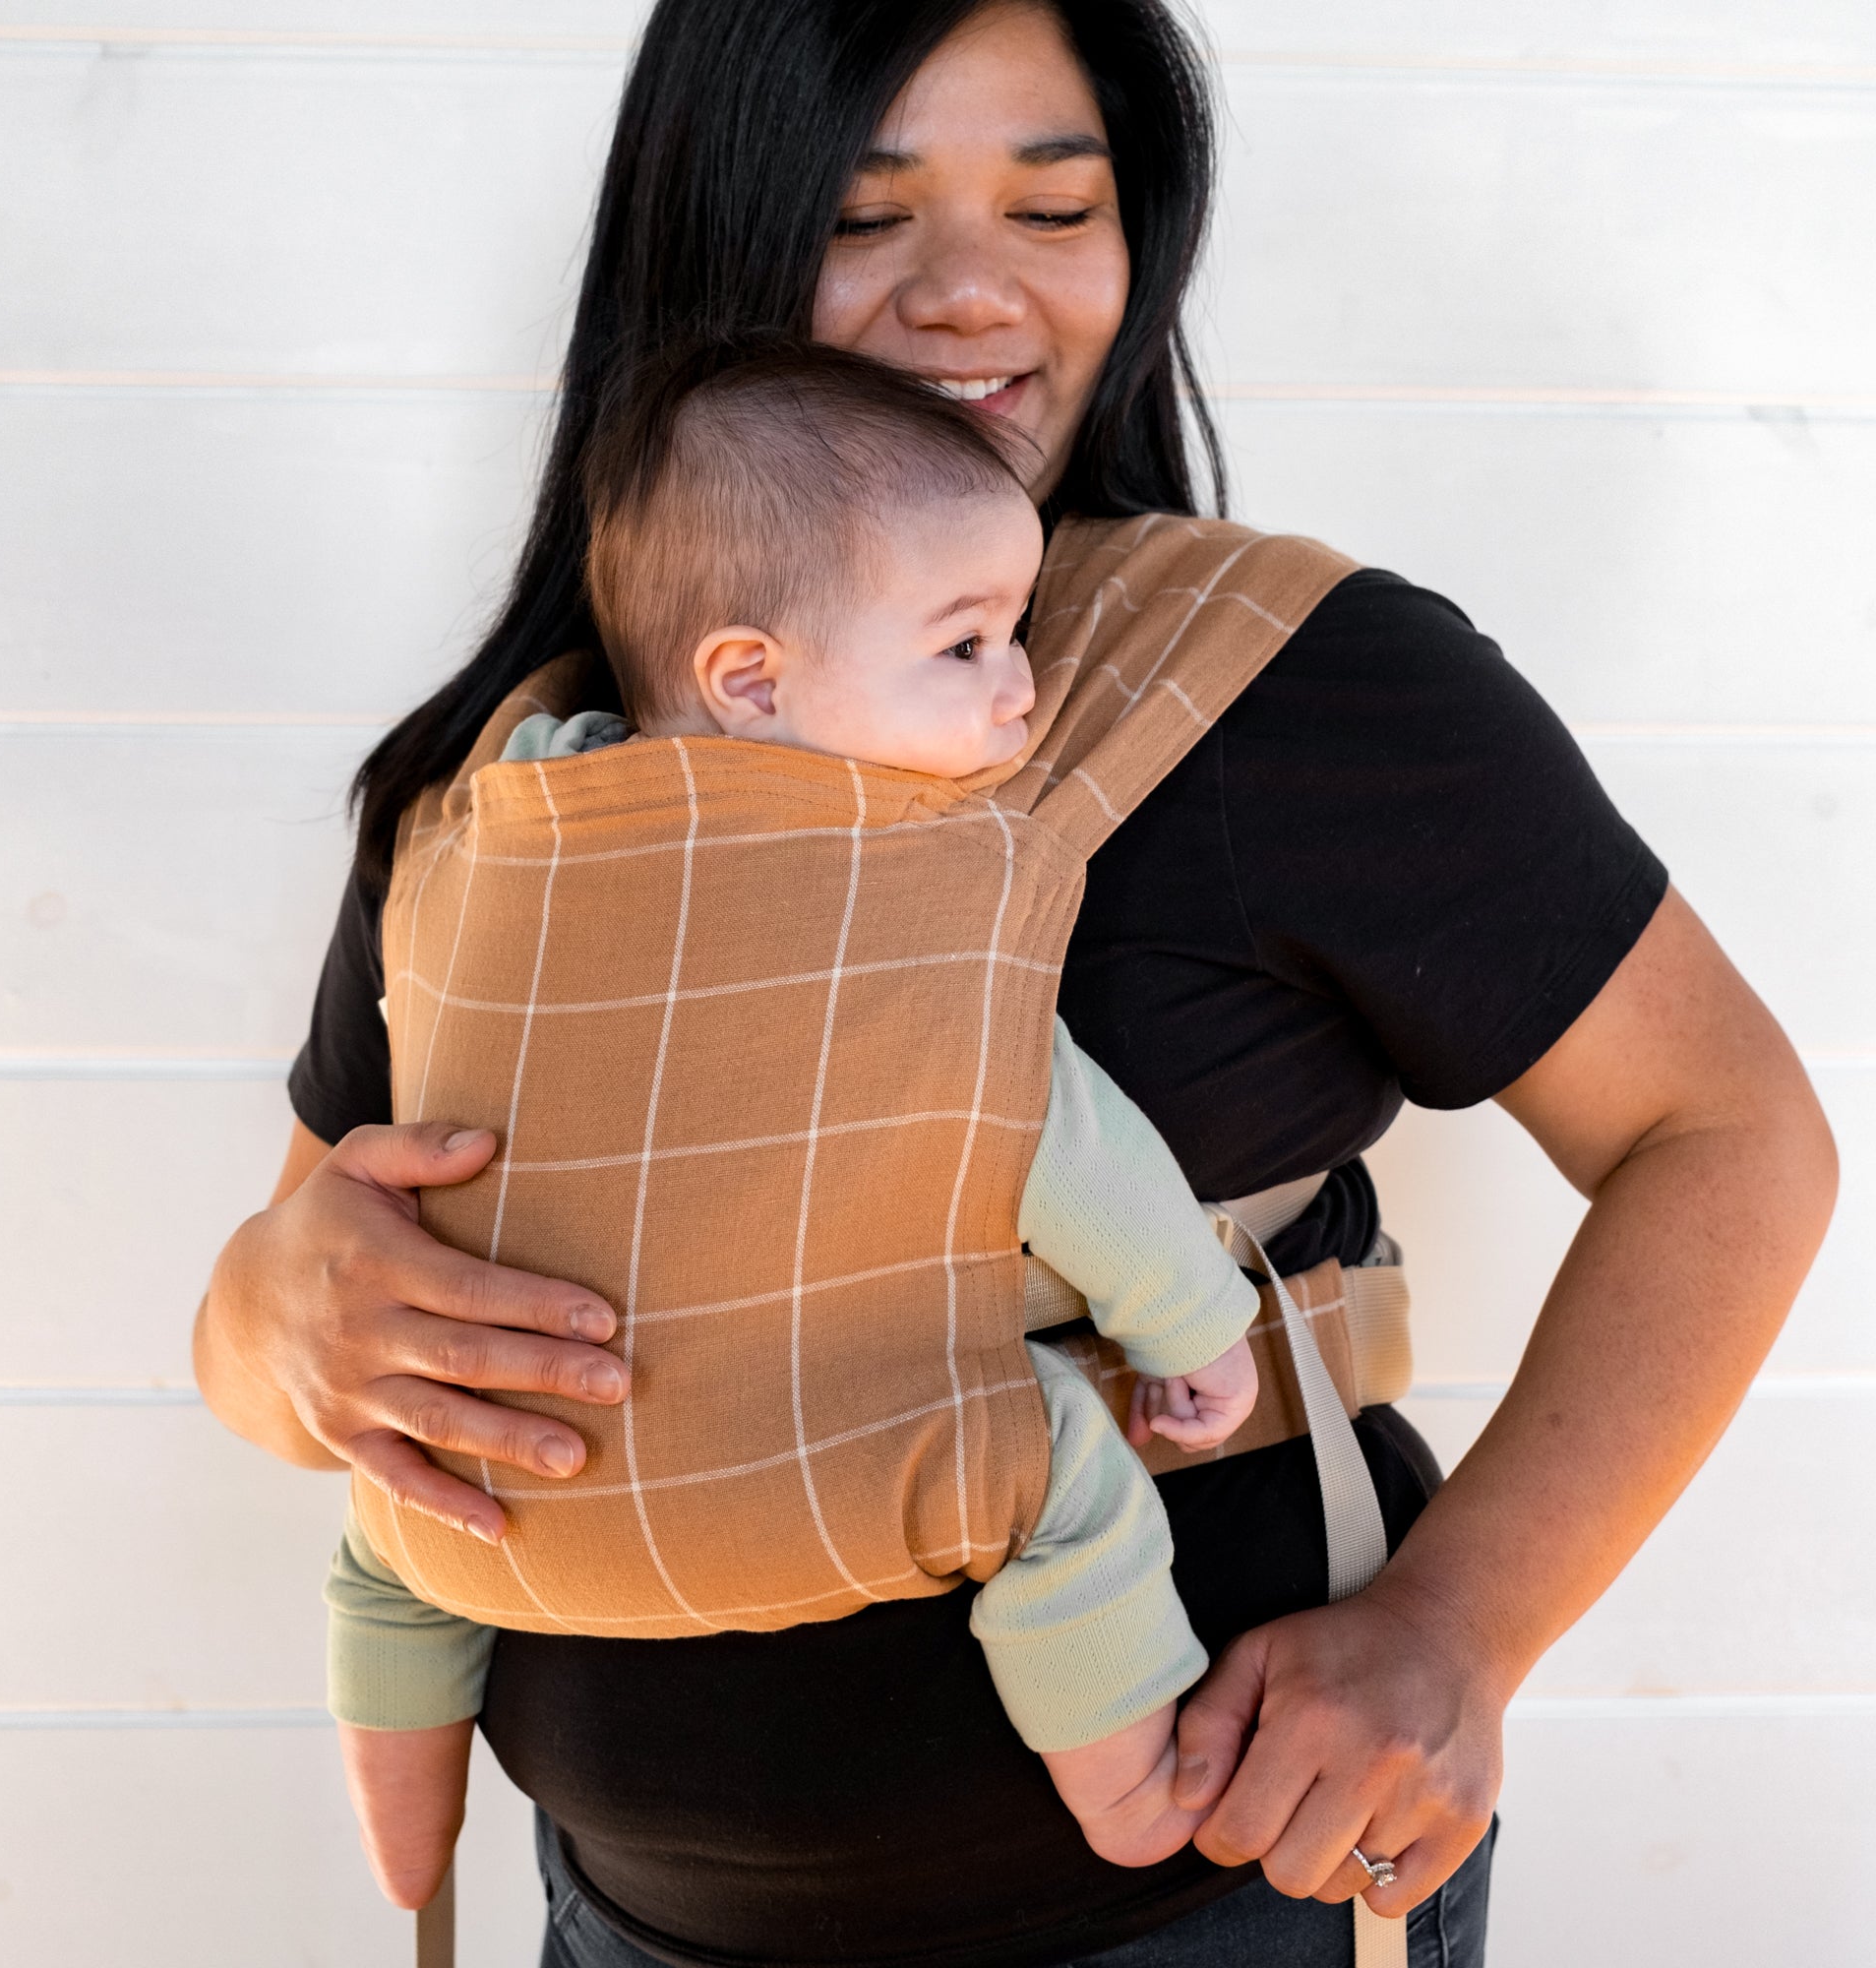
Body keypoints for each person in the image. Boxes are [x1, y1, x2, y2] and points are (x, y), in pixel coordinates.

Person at [194, 3, 1837, 1963]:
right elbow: (299, 1311)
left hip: (1211, 1905)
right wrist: (263, 1315)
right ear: (709, 237)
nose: (974, 298)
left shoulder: (1293, 685)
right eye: (866, 217)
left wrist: (1457, 1626)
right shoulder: (519, 777)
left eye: (1056, 208)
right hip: (622, 1922)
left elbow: (1730, 1133)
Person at [326, 338, 1268, 1897]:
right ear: (751, 679)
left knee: (387, 1535)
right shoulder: (914, 887)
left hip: (507, 1496)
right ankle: (1127, 1795)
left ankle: (404, 1834)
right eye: (965, 645)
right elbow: (1061, 1145)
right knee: (1069, 1476)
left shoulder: (503, 821)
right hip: (838, 1489)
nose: (1022, 685)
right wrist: (1196, 1332)